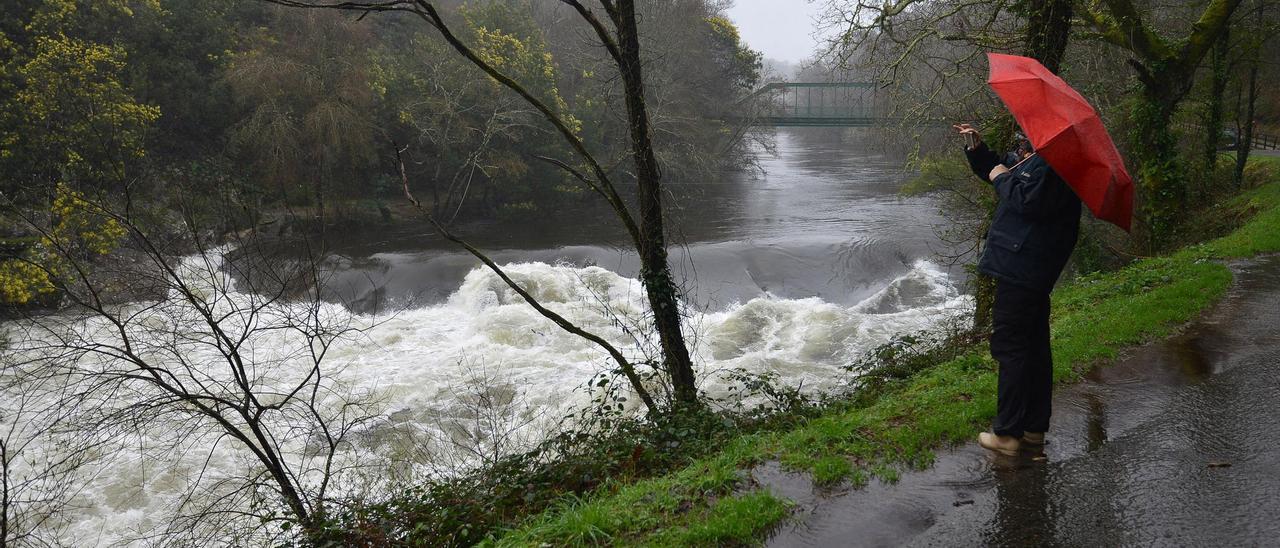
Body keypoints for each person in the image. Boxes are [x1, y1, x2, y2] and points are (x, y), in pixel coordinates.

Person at [953, 123, 1082, 456]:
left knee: (1010, 347)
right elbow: (1004, 176)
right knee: (1035, 347)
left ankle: (1007, 434)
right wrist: (978, 151)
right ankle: (1033, 428)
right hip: (1027, 266)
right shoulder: (1042, 161)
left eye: (1031, 132)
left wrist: (1000, 176)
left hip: (1022, 266)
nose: (1025, 136)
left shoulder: (1057, 165)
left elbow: (1026, 200)